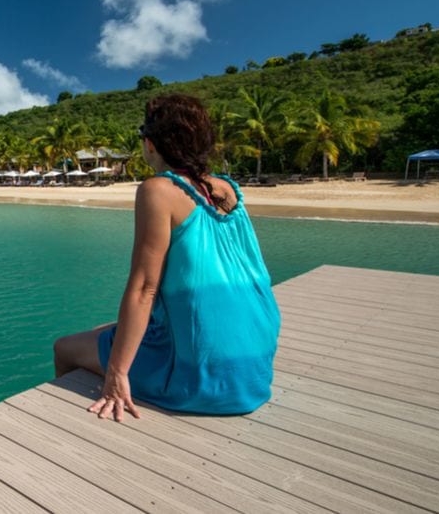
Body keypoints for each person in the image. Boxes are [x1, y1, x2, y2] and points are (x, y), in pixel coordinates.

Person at [52, 94, 280, 421]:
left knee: (65, 347)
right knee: (105, 328)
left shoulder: (158, 190)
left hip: (205, 376)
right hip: (256, 368)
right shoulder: (227, 189)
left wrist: (117, 374)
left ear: (149, 145)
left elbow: (145, 288)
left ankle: (71, 425)